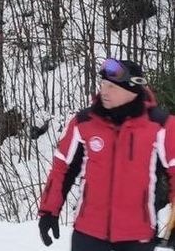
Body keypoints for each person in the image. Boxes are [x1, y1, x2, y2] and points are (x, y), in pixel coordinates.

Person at [38, 58, 175, 250]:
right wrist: (48, 211)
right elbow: (62, 168)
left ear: (132, 89)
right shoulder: (83, 122)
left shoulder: (161, 126)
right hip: (88, 234)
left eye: (111, 86)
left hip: (137, 237)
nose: (104, 91)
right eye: (102, 84)